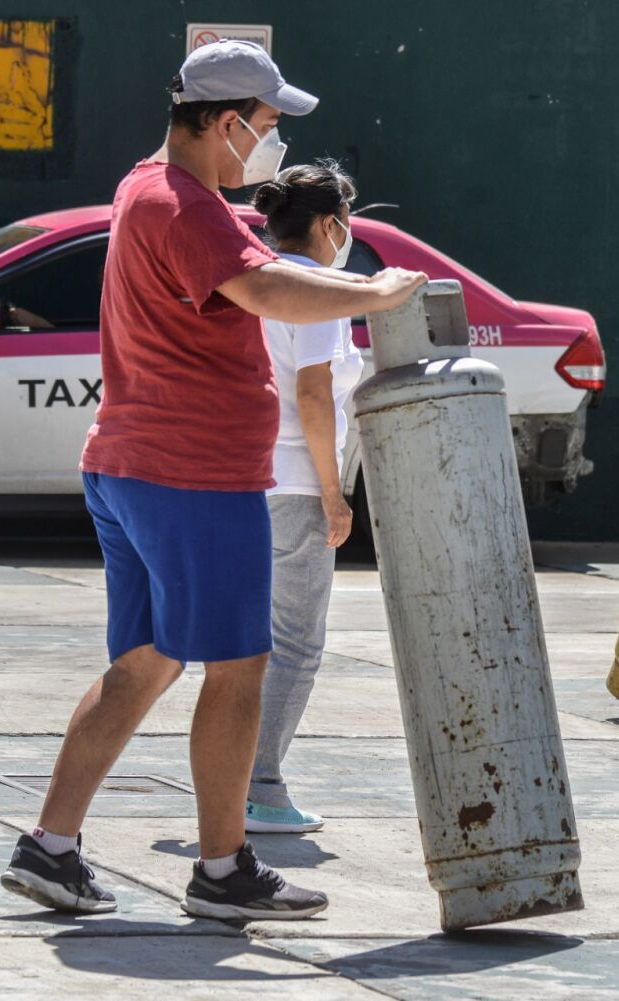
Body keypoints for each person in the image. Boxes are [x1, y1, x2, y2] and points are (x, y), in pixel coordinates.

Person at [0, 40, 426, 921]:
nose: (272, 143)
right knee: (241, 667)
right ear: (227, 123)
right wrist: (375, 294)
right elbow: (271, 291)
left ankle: (49, 847)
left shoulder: (142, 187)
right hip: (193, 474)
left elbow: (255, 278)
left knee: (145, 663)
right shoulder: (185, 208)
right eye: (267, 126)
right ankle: (224, 869)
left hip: (130, 463)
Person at [243, 161, 364, 834]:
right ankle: (259, 785)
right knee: (296, 643)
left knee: (251, 641)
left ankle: (233, 774)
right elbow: (314, 395)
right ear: (328, 225)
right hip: (294, 483)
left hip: (248, 478)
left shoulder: (257, 278)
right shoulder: (317, 289)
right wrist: (334, 493)